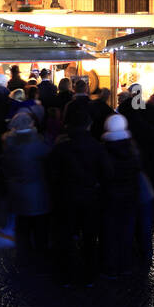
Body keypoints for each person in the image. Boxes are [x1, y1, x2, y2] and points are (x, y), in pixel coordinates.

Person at [47, 101, 111, 287]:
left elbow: (52, 173)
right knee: (90, 238)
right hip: (90, 197)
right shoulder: (98, 147)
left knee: (65, 237)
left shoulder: (61, 147)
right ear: (89, 125)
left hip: (66, 197)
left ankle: (66, 275)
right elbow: (107, 173)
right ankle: (89, 275)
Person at [2, 111, 52, 267]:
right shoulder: (39, 144)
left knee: (22, 227)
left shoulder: (8, 145)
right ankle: (41, 259)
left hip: (17, 193)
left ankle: (23, 257)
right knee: (39, 228)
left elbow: (5, 169)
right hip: (38, 193)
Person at [99, 114, 144, 276]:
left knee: (109, 231)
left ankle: (110, 265)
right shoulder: (133, 150)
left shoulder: (103, 150)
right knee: (126, 231)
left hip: (109, 197)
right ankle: (125, 263)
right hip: (129, 196)